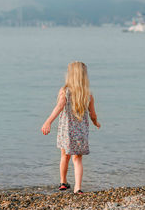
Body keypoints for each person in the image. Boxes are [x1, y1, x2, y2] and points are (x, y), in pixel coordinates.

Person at [41, 61, 101, 194]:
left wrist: (48, 121)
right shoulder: (88, 95)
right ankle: (77, 188)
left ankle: (63, 182)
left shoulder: (65, 91)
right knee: (77, 159)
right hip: (81, 132)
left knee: (64, 156)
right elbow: (93, 114)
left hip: (66, 131)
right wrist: (96, 123)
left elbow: (59, 107)